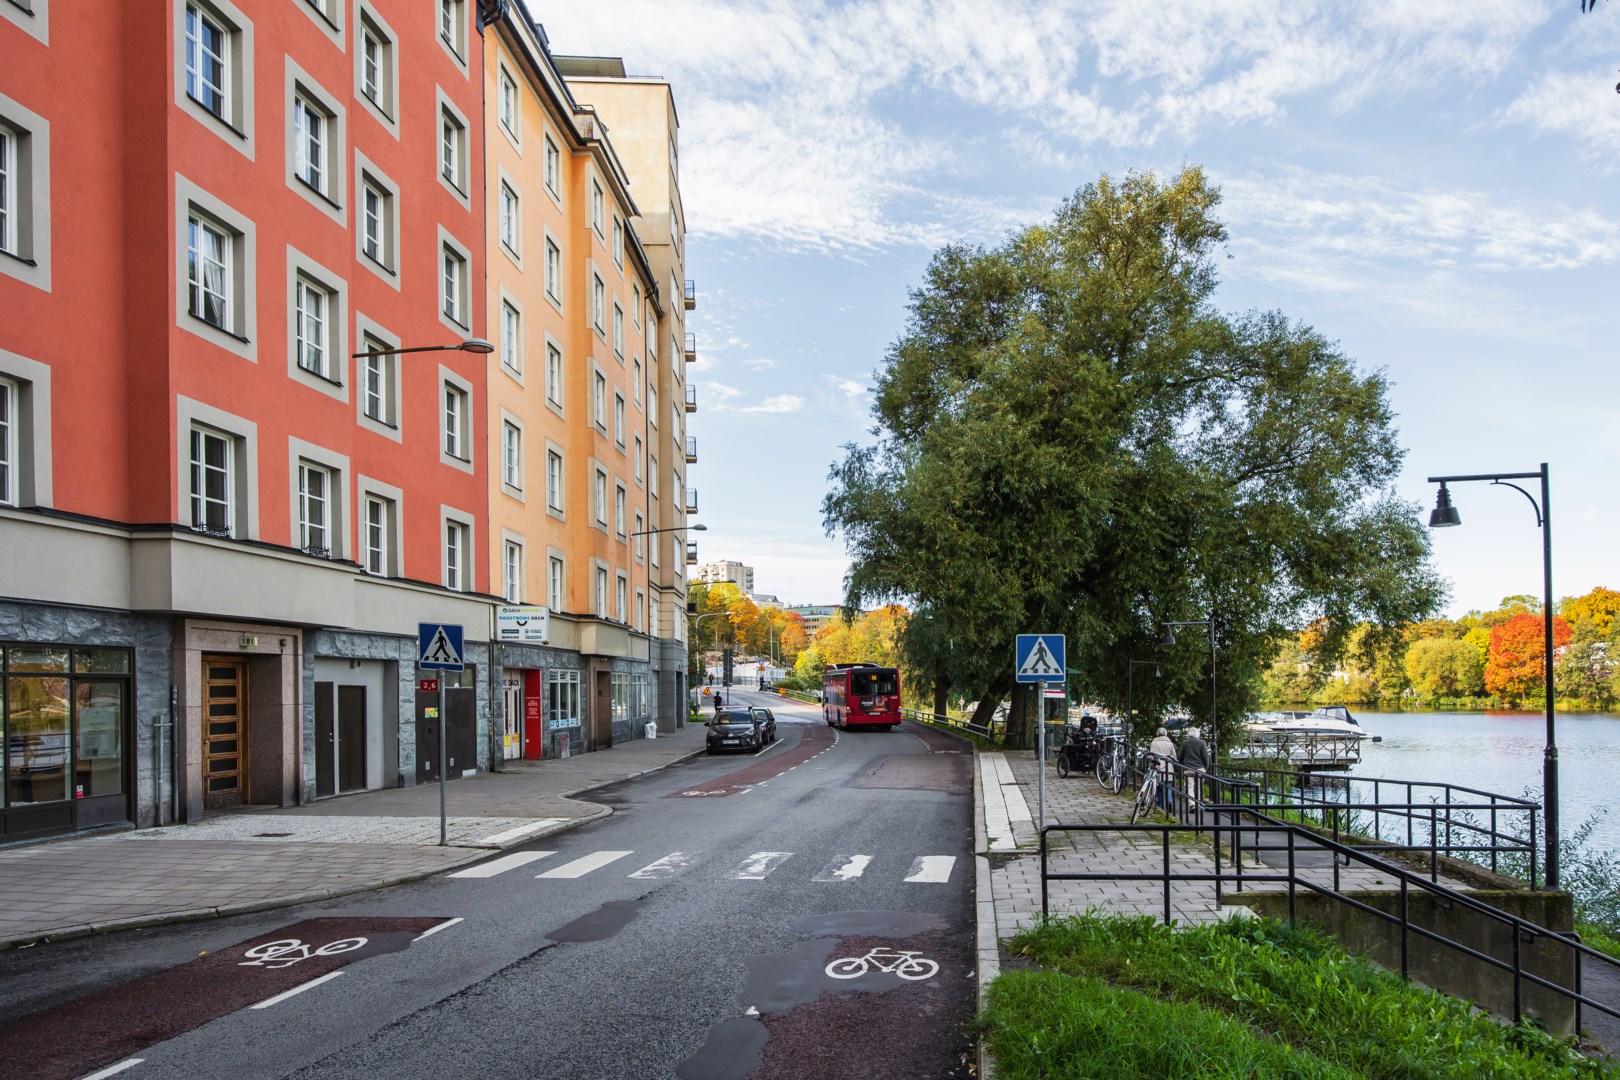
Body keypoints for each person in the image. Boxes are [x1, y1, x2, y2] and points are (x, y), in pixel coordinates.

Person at [1178, 725, 1212, 810]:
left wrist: (1181, 766)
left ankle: (1192, 804)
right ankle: (1199, 804)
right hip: (1200, 768)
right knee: (1199, 787)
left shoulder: (1185, 743)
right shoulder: (1202, 743)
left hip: (1188, 768)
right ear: (1198, 734)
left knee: (1189, 787)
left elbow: (1180, 756)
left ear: (1189, 734)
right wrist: (1205, 767)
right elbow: (1205, 757)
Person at [1149, 726, 1176, 812]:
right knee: (1168, 785)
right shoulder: (1170, 744)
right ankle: (1169, 801)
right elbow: (1174, 756)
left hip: (1158, 767)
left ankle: (1160, 805)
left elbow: (1151, 755)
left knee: (1159, 787)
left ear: (1157, 734)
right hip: (1168, 767)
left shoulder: (1154, 743)